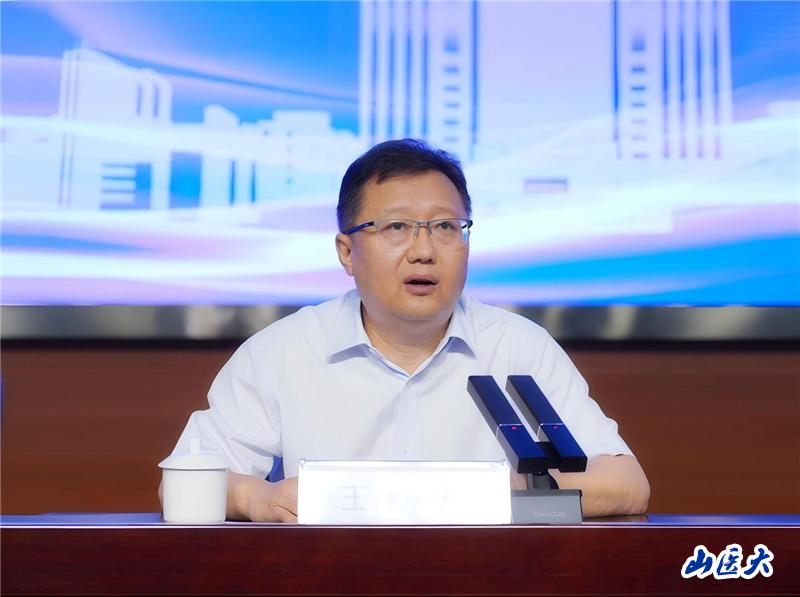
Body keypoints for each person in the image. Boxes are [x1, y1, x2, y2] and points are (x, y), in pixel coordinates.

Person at [163, 139, 650, 523]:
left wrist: (498, 493)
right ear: (347, 252)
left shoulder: (518, 346)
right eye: (396, 227)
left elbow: (627, 483)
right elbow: (181, 484)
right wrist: (257, 498)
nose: (423, 251)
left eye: (445, 227)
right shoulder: (283, 351)